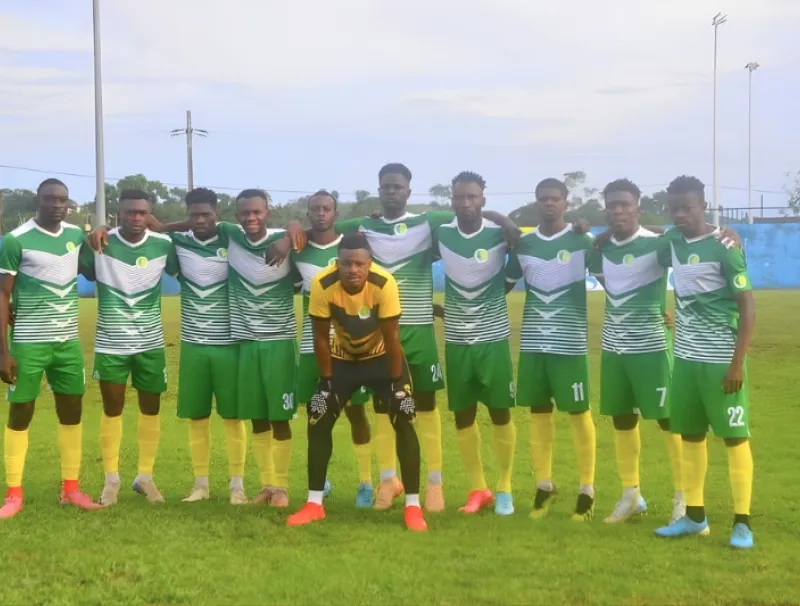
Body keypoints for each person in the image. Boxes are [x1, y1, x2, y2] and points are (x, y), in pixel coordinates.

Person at [329, 163, 518, 512]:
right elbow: (322, 223)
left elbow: (469, 210)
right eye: (386, 186)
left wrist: (504, 221)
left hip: (420, 331)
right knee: (384, 406)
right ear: (379, 189)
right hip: (378, 333)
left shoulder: (429, 223)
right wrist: (293, 227)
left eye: (398, 187)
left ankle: (435, 484)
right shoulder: (364, 227)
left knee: (427, 406)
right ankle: (389, 481)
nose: (391, 192)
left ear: (408, 191)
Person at [287, 233, 426, 531]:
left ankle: (413, 507)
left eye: (359, 264)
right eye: (346, 263)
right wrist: (325, 381)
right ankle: (314, 504)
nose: (352, 269)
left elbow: (392, 337)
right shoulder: (323, 284)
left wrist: (398, 386)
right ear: (337, 264)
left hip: (383, 358)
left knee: (404, 414)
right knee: (318, 415)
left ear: (369, 264)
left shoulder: (384, 283)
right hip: (342, 361)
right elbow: (321, 338)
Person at [653, 176, 756, 549]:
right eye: (674, 208)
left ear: (703, 206)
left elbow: (747, 305)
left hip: (720, 362)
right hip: (685, 360)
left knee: (734, 438)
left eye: (687, 207)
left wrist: (736, 363)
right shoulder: (672, 241)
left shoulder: (725, 246)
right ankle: (695, 517)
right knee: (692, 437)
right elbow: (644, 235)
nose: (680, 214)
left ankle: (742, 522)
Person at [0, 178, 100, 518]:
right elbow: (2, 294)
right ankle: (14, 493)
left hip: (68, 343)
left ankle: (70, 489)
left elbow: (96, 266)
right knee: (20, 413)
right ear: (37, 201)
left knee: (72, 413)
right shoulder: (15, 240)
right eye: (50, 199)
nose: (57, 205)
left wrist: (100, 234)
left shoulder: (74, 237)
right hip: (28, 343)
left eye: (63, 200)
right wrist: (3, 351)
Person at [588, 179, 685, 524]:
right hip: (614, 350)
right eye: (612, 205)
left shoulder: (659, 245)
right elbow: (614, 287)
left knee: (668, 419)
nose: (618, 210)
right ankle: (631, 495)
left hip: (653, 349)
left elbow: (697, 267)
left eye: (625, 204)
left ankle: (683, 497)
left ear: (637, 208)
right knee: (622, 420)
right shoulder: (598, 250)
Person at [506, 178, 597, 522]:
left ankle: (587, 490)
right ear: (536, 202)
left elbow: (616, 275)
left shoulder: (582, 240)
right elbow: (503, 284)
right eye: (543, 198)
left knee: (578, 414)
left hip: (570, 345)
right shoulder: (523, 244)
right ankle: (544, 485)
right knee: (539, 413)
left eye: (555, 199)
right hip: (533, 345)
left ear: (566, 203)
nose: (549, 204)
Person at [85, 189, 178, 505]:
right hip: (111, 344)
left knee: (150, 409)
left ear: (149, 214)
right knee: (112, 409)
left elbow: (199, 234)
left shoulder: (163, 245)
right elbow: (80, 267)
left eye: (142, 212)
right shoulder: (100, 243)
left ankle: (145, 478)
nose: (136, 218)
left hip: (150, 344)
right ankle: (111, 481)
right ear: (118, 213)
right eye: (130, 212)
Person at [434, 172, 517, 516]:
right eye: (459, 198)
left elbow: (514, 276)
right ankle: (477, 488)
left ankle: (505, 489)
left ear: (484, 198)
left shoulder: (501, 235)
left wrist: (505, 219)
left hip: (494, 340)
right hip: (456, 341)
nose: (466, 204)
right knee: (463, 416)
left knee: (500, 413)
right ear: (451, 201)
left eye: (472, 197)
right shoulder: (441, 233)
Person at [291, 190, 373, 508]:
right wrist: (289, 231)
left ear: (336, 214)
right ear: (309, 213)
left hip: (352, 349)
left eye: (327, 209)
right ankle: (320, 481)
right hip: (314, 347)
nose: (321, 213)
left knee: (356, 413)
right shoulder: (299, 250)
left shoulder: (350, 247)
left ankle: (366, 481)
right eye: (315, 209)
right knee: (315, 414)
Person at [168, 188, 248, 504]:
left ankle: (237, 486)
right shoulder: (178, 242)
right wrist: (163, 228)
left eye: (207, 215)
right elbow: (149, 232)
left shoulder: (232, 238)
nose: (201, 221)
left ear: (217, 214)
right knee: (197, 416)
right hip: (193, 345)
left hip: (229, 344)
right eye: (195, 215)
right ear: (187, 216)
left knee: (233, 416)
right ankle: (200, 485)